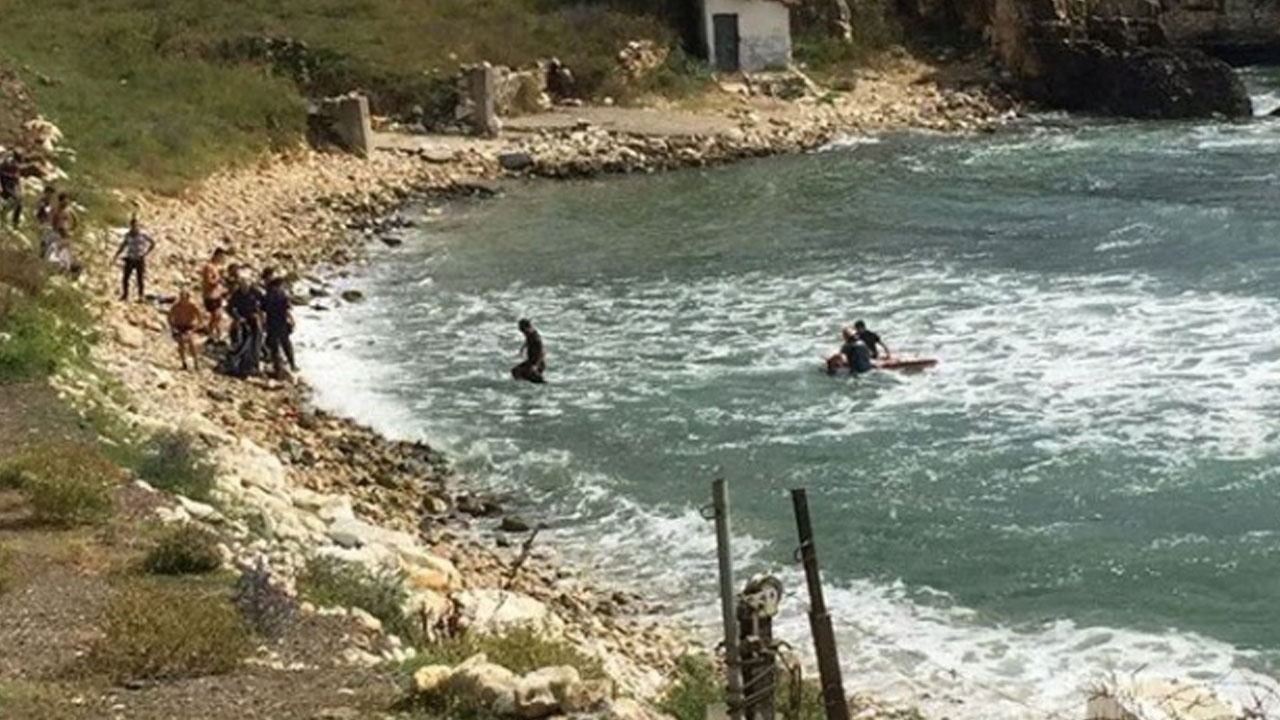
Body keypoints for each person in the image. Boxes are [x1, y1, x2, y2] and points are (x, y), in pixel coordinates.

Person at [222, 268, 264, 378]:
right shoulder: (236, 294)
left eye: (245, 285)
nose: (244, 287)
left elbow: (263, 303)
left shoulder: (255, 291)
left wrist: (259, 314)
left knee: (256, 342)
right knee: (242, 342)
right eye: (242, 285)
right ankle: (237, 363)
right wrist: (237, 318)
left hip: (254, 319)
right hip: (242, 320)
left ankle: (254, 363)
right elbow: (230, 307)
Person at [262, 275, 297, 379]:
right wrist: (291, 320)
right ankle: (292, 365)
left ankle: (278, 368)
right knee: (286, 344)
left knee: (274, 346)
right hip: (282, 322)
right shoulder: (282, 295)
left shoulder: (268, 295)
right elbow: (287, 309)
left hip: (271, 322)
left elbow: (263, 308)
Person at [113, 217, 155, 301]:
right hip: (130, 258)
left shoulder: (143, 234)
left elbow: (152, 243)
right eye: (133, 226)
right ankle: (125, 295)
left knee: (140, 278)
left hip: (139, 258)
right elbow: (123, 245)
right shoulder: (128, 235)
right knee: (125, 278)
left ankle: (140, 296)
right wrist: (116, 255)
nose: (134, 227)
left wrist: (146, 253)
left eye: (136, 225)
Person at [167, 288, 204, 371]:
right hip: (179, 327)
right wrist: (172, 327)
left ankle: (196, 362)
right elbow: (169, 316)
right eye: (181, 297)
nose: (182, 299)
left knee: (192, 344)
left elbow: (200, 317)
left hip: (189, 327)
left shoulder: (193, 306)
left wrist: (196, 328)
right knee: (181, 344)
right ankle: (184, 363)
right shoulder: (176, 306)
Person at [200, 248, 228, 344]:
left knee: (218, 316)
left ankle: (218, 335)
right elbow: (209, 281)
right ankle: (211, 334)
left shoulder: (216, 267)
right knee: (215, 315)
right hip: (210, 295)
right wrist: (218, 280)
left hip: (217, 295)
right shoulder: (209, 267)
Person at [511, 318, 546, 384]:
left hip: (537, 363)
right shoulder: (530, 333)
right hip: (531, 361)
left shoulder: (536, 338)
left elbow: (542, 352)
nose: (523, 333)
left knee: (535, 380)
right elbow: (528, 340)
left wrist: (536, 366)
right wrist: (523, 348)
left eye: (523, 330)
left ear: (527, 327)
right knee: (516, 371)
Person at [0, 152, 22, 228]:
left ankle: (14, 221)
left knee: (19, 203)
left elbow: (17, 179)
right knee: (17, 201)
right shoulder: (7, 163)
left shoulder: (16, 166)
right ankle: (12, 220)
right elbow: (2, 172)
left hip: (11, 186)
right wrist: (12, 176)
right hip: (6, 185)